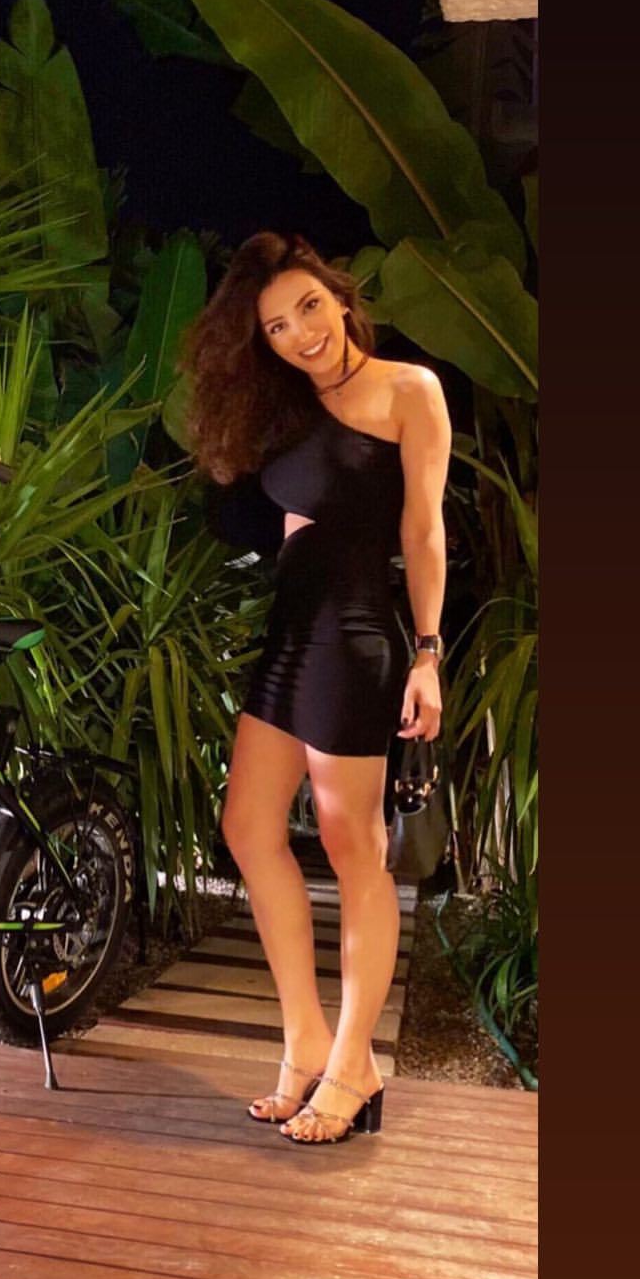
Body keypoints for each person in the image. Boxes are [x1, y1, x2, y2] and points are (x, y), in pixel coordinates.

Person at [182, 231, 451, 1145]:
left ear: (339, 297)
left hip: (355, 637)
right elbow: (300, 523)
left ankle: (354, 1063)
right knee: (248, 829)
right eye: (277, 326)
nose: (301, 333)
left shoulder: (409, 390)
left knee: (353, 850)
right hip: (290, 636)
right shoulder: (290, 408)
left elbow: (422, 531)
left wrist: (426, 655)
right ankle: (304, 1044)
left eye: (308, 307)